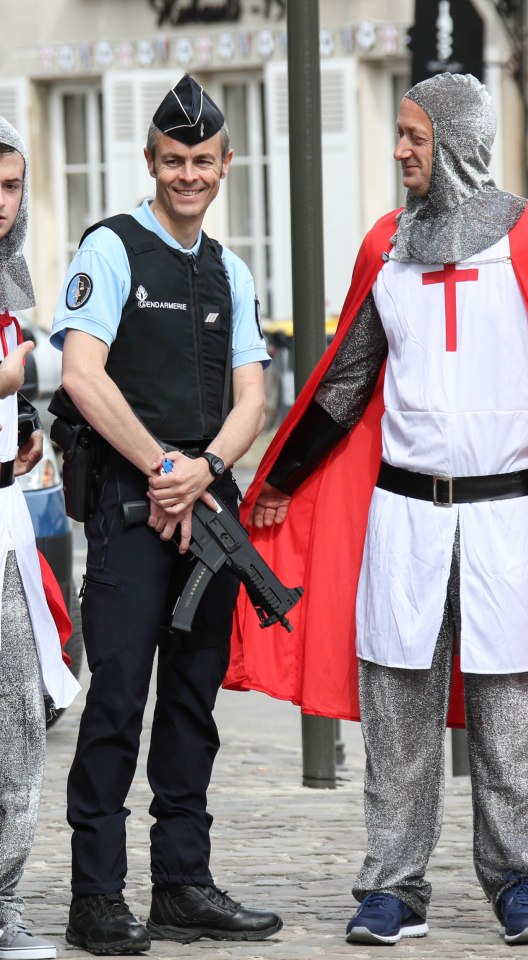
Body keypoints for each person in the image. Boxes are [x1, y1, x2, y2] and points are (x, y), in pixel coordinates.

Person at [226, 74, 528, 947]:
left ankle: (516, 883)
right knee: (398, 713)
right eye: (401, 134)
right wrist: (280, 482)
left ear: (454, 141)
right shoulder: (387, 245)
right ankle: (392, 888)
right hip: (404, 517)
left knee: (507, 716)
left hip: (508, 516)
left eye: (414, 136)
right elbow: (345, 382)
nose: (400, 150)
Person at [49, 75, 282, 955]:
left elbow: (253, 393)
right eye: (174, 160)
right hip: (129, 507)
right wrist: (164, 470)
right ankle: (96, 898)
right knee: (116, 702)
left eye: (203, 162)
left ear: (225, 167)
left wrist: (208, 469)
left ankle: (182, 883)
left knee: (191, 705)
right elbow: (82, 372)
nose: (189, 175)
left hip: (203, 514)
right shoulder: (109, 249)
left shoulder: (231, 268)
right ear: (151, 162)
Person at [1, 117, 81, 960]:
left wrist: (25, 423)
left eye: (12, 185)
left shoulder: (10, 278)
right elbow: (28, 363)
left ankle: (2, 900)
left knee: (20, 715)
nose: (0, 203)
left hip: (7, 520)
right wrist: (38, 368)